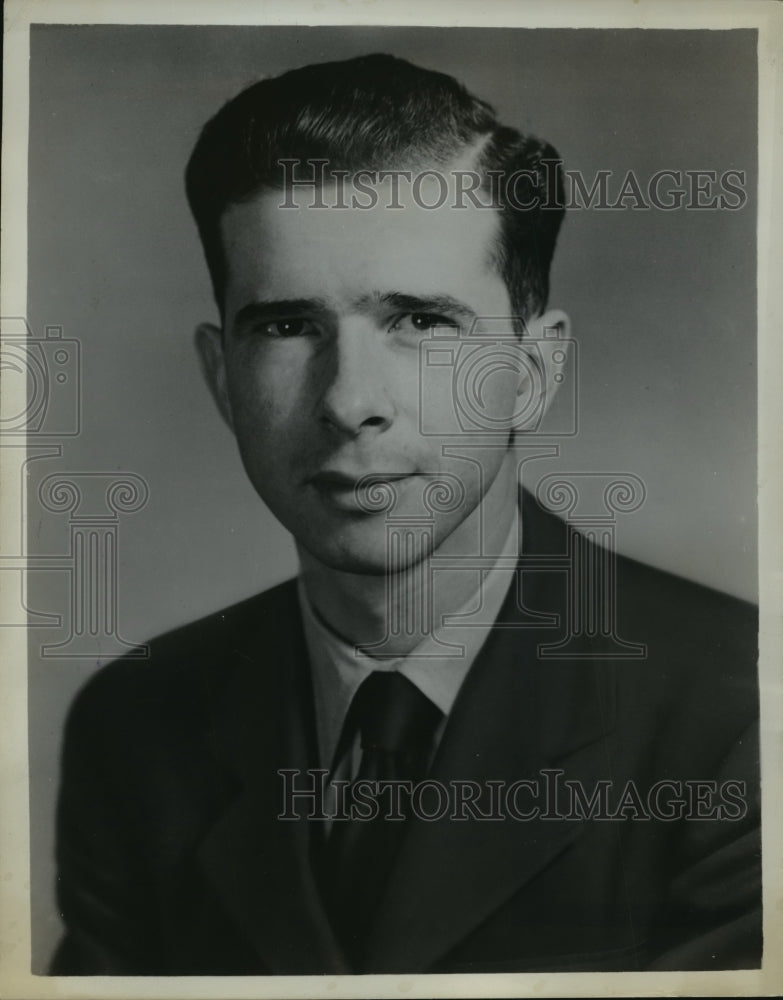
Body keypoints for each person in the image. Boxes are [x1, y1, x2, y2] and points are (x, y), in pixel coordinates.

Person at [50, 53, 761, 975]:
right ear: (222, 376)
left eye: (421, 322)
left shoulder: (739, 720)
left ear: (533, 374)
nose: (349, 400)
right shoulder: (136, 725)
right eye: (286, 326)